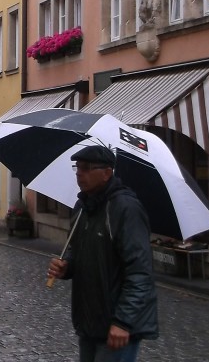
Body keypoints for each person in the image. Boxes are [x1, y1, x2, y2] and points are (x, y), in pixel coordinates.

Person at [47, 145, 158, 362]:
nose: (79, 173)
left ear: (107, 173)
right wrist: (67, 265)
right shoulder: (82, 207)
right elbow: (77, 251)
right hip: (89, 321)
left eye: (87, 168)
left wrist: (123, 321)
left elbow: (140, 272)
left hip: (116, 325)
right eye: (77, 167)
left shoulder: (125, 208)